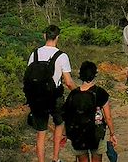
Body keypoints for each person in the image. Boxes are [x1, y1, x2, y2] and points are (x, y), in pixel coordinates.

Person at [26, 25, 76, 162]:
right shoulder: (62, 56)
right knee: (59, 125)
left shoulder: (34, 54)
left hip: (37, 98)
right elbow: (69, 82)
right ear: (57, 37)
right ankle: (55, 158)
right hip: (55, 97)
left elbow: (30, 76)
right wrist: (78, 92)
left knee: (40, 134)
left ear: (44, 36)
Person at [62, 61, 118, 162]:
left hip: (78, 135)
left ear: (81, 75)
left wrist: (65, 134)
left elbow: (67, 117)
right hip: (96, 134)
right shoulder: (100, 92)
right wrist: (112, 134)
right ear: (94, 75)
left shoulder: (73, 94)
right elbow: (108, 117)